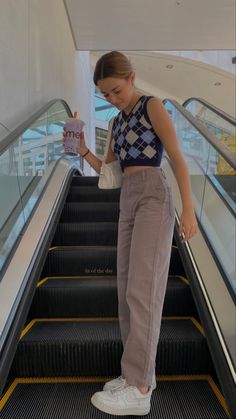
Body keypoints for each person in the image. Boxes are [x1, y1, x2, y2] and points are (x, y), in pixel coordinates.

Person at [75, 51, 198, 416]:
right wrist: (82, 148)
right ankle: (133, 375)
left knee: (144, 289)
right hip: (127, 199)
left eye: (116, 90)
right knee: (127, 287)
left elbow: (176, 157)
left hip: (153, 195)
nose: (113, 99)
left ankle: (141, 388)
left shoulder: (151, 105)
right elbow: (108, 172)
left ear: (131, 77)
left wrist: (188, 210)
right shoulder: (116, 122)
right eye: (105, 95)